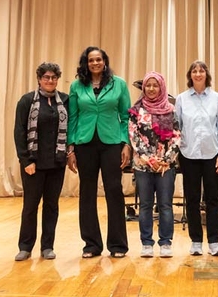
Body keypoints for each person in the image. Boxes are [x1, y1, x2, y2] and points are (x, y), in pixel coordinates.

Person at [66, 46, 132, 258]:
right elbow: (72, 117)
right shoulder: (76, 85)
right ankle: (91, 244)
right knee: (87, 192)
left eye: (98, 59)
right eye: (91, 60)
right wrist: (70, 148)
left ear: (105, 62)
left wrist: (126, 143)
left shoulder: (119, 84)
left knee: (114, 190)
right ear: (86, 63)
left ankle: (118, 245)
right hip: (84, 142)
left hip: (111, 142)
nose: (95, 63)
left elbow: (126, 116)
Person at [12, 62, 69, 261]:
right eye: (46, 77)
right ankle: (25, 247)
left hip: (57, 163)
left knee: (52, 206)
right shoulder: (27, 101)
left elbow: (70, 128)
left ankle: (47, 247)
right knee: (30, 206)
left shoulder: (65, 100)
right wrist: (25, 160)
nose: (50, 80)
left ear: (57, 79)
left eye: (54, 77)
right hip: (33, 164)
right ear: (39, 79)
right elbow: (19, 132)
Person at [176, 60, 218, 257]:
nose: (198, 74)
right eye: (194, 71)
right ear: (190, 75)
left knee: (213, 199)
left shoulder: (217, 99)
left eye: (201, 71)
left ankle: (214, 242)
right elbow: (177, 127)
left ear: (207, 75)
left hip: (212, 154)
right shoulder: (182, 99)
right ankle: (196, 241)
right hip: (188, 154)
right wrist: (177, 152)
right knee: (192, 199)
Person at [128, 72, 181, 258]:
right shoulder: (137, 110)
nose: (151, 89)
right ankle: (146, 243)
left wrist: (166, 159)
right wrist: (149, 159)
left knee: (165, 205)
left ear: (161, 87)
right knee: (145, 205)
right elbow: (133, 136)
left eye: (155, 85)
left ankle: (165, 242)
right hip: (143, 166)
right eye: (148, 85)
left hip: (165, 166)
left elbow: (177, 136)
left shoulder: (171, 110)